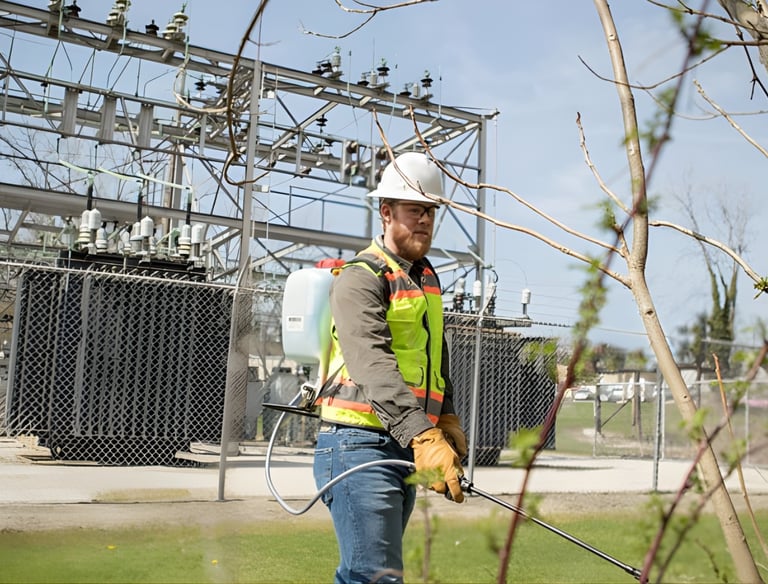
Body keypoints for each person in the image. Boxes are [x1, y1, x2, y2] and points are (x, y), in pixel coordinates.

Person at [313, 151, 468, 584]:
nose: (425, 220)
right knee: (375, 579)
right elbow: (373, 363)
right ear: (386, 212)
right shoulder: (360, 278)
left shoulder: (425, 278)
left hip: (400, 445)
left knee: (363, 576)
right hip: (356, 446)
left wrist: (446, 416)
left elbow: (434, 357)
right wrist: (423, 433)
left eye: (431, 212)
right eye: (415, 209)